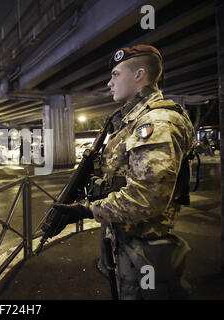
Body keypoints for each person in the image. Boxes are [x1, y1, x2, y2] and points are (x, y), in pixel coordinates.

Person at [52, 44, 196, 299]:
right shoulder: (131, 122)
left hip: (145, 248)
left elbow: (147, 197)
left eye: (116, 74)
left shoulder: (156, 122)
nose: (109, 83)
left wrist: (88, 209)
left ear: (139, 75)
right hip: (128, 242)